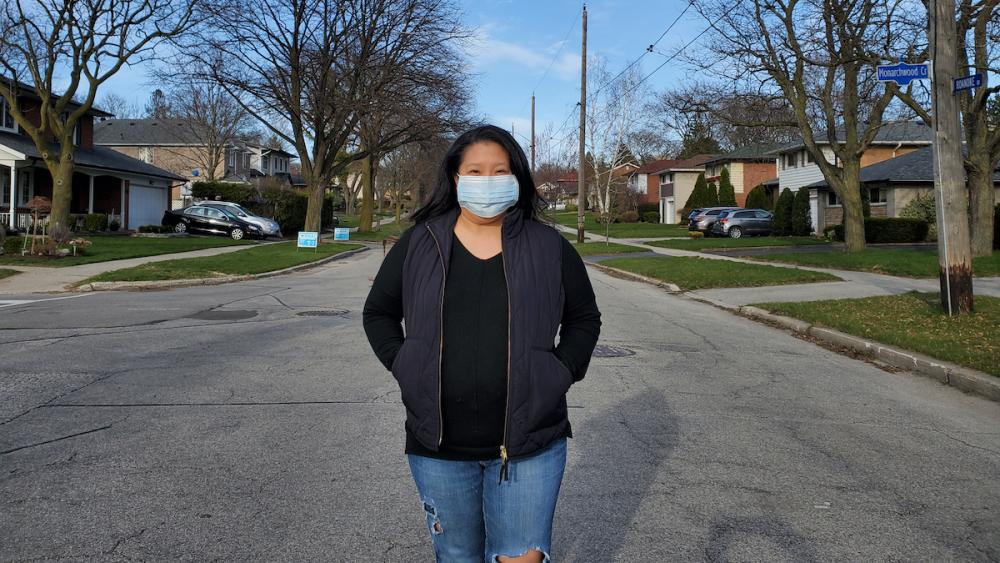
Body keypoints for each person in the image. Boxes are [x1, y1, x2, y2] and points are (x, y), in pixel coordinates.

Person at [363, 125, 601, 562]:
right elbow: (378, 313)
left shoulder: (548, 246)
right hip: (437, 449)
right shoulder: (420, 243)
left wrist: (559, 372)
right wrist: (406, 364)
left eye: (499, 171)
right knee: (456, 556)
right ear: (456, 178)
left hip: (531, 445)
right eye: (475, 170)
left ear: (517, 178)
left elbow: (584, 318)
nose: (487, 181)